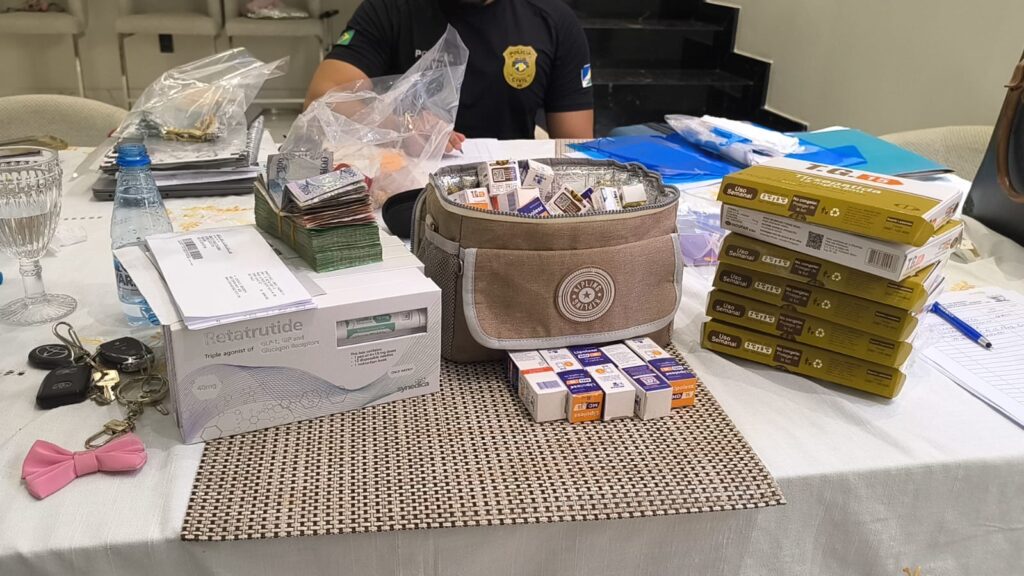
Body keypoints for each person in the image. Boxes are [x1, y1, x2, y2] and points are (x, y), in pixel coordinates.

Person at [305, 0, 595, 150]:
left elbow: (576, 146)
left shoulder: (552, 20)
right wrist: (401, 129)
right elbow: (321, 98)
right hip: (407, 186)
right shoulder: (391, 9)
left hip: (508, 193)